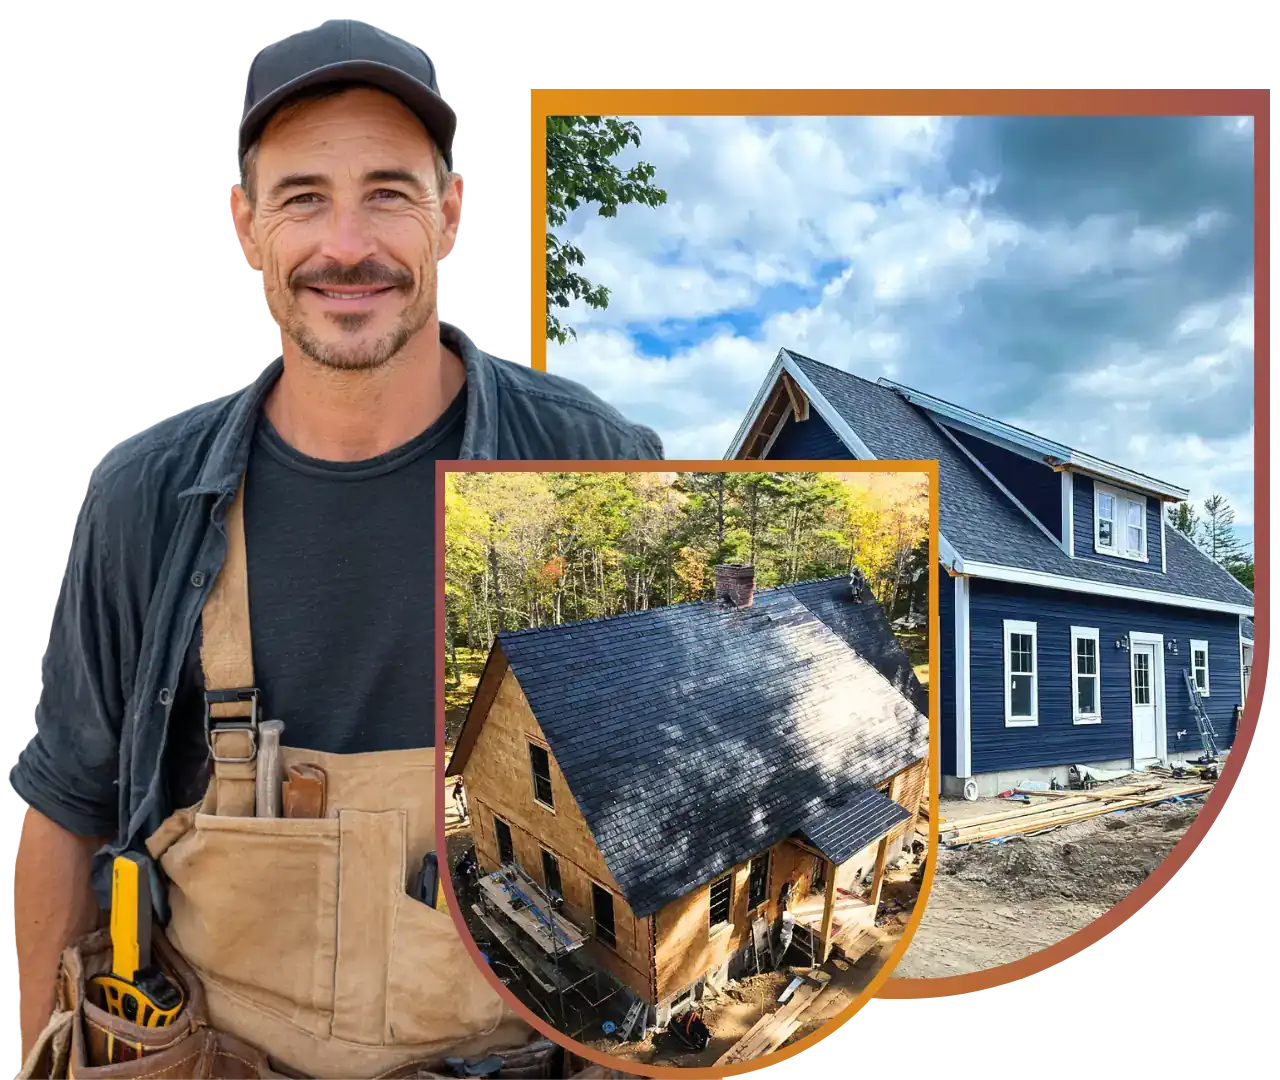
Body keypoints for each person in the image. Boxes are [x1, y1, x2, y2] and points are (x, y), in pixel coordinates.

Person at [13, 19, 660, 1080]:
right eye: (303, 196)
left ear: (449, 216)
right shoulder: (146, 496)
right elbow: (68, 806)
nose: (347, 244)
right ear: (244, 226)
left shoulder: (593, 467)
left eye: (390, 193)